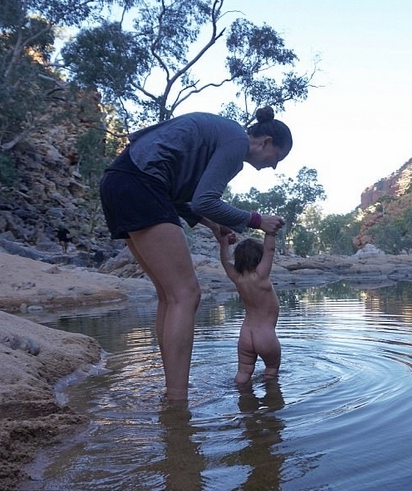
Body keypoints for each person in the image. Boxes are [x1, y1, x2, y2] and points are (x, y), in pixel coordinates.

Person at [99, 106, 290, 401]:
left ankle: (173, 390)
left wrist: (215, 225)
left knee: (169, 294)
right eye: (277, 157)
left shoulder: (223, 135)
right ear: (264, 142)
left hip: (119, 182)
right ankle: (177, 401)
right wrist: (257, 220)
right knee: (186, 294)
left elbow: (183, 200)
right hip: (140, 183)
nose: (274, 166)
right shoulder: (236, 140)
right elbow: (205, 200)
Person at [218, 230, 282, 385]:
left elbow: (225, 262)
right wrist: (270, 233)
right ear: (259, 259)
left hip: (246, 334)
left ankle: (243, 400)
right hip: (265, 335)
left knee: (243, 371)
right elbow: (269, 250)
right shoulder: (261, 276)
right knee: (271, 370)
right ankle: (272, 404)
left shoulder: (238, 279)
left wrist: (224, 244)